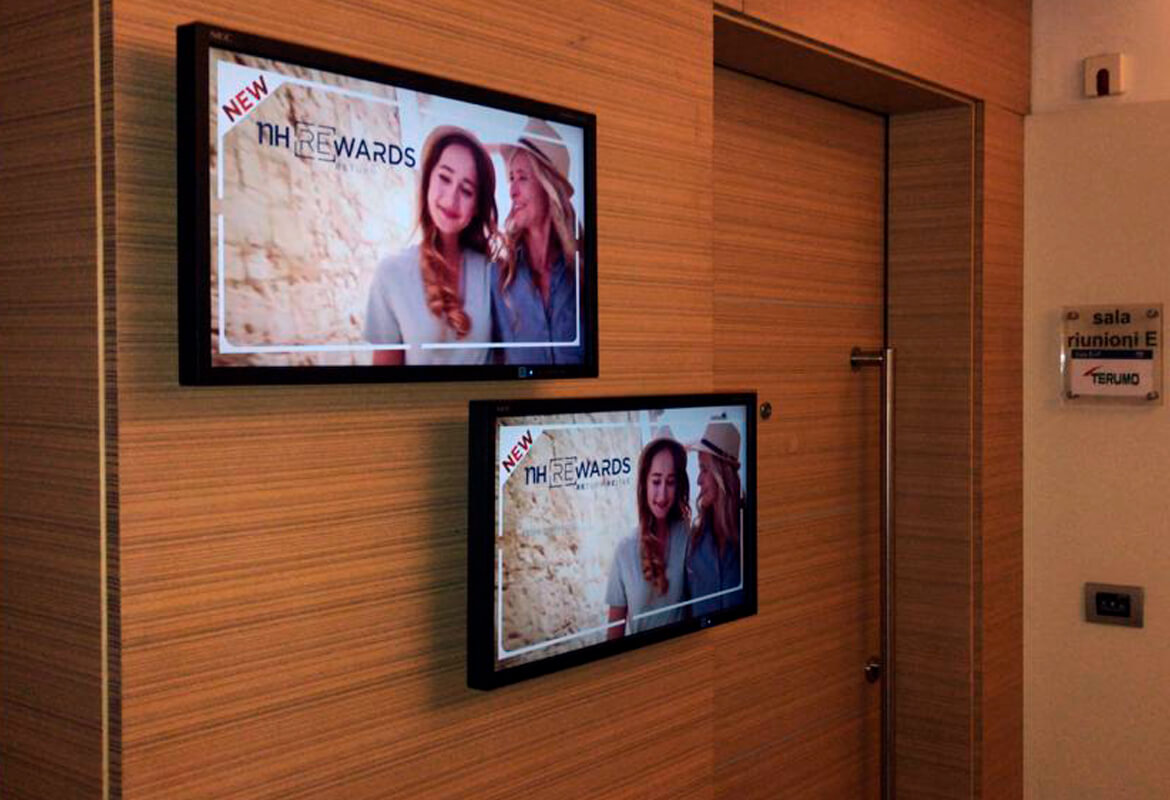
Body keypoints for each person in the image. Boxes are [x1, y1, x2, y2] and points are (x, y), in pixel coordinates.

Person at [365, 126, 501, 365]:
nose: (451, 199)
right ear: (428, 179)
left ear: (476, 207)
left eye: (467, 190)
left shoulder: (491, 272)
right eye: (445, 178)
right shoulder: (390, 273)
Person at [491, 118, 584, 365]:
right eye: (511, 178)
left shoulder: (582, 272)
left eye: (522, 178)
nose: (512, 190)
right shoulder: (497, 277)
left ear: (548, 187)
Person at [605, 437, 691, 639]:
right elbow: (614, 636)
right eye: (656, 481)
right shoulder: (624, 550)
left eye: (670, 482)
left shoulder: (687, 535)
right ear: (644, 483)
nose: (662, 495)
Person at [685, 420, 744, 617]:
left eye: (704, 469)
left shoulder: (750, 533)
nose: (698, 480)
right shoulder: (694, 540)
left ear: (722, 474)